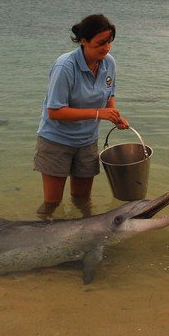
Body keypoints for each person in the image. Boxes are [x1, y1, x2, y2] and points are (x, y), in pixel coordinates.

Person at [34, 14, 129, 218]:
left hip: (87, 141)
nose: (106, 48)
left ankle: (84, 242)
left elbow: (108, 94)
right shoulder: (65, 66)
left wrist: (114, 114)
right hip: (56, 141)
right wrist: (98, 113)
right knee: (52, 204)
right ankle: (41, 238)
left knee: (82, 200)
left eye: (109, 42)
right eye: (100, 43)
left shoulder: (108, 63)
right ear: (84, 41)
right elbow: (55, 111)